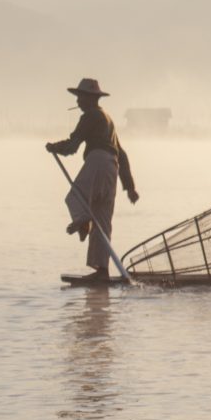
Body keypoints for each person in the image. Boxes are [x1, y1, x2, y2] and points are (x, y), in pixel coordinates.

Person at [47, 77, 139, 278]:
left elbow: (72, 146)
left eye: (81, 97)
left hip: (97, 161)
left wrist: (54, 147)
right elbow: (121, 153)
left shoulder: (90, 116)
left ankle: (83, 220)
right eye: (78, 97)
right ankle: (102, 271)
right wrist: (130, 187)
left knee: (75, 198)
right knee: (102, 220)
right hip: (112, 169)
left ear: (90, 99)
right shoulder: (108, 119)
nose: (78, 101)